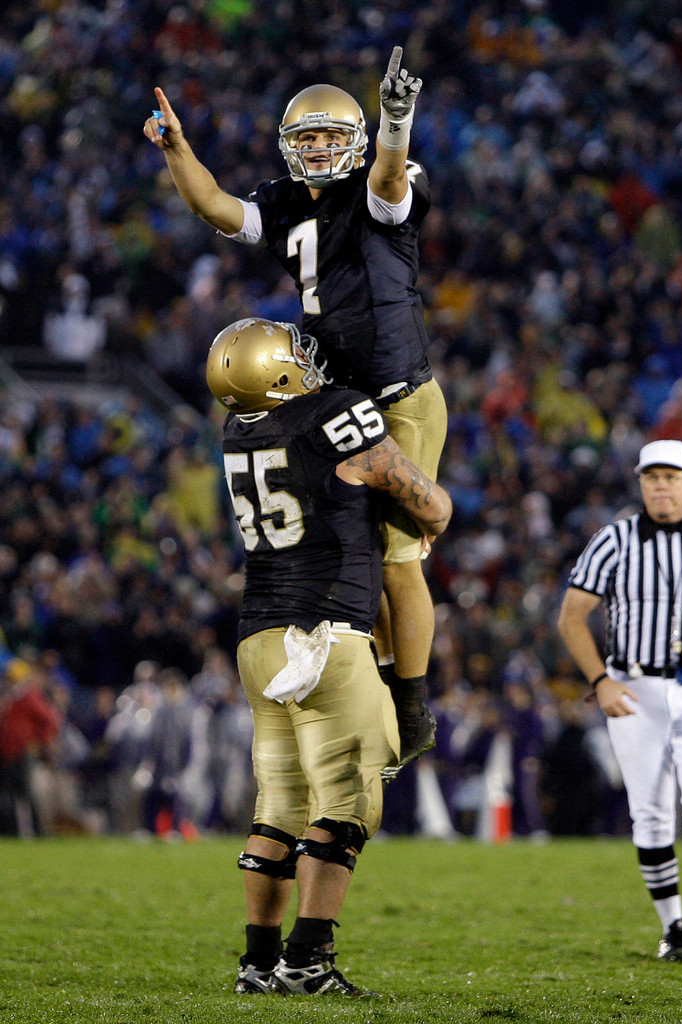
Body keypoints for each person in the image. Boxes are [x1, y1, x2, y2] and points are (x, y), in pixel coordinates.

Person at [144, 46, 448, 771]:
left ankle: (412, 700)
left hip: (400, 396)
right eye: (304, 138)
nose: (316, 148)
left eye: (327, 136)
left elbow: (387, 181)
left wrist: (395, 124)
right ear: (288, 145)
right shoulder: (284, 203)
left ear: (352, 140)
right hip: (333, 395)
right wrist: (178, 151)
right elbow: (214, 206)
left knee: (400, 560)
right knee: (351, 552)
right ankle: (371, 671)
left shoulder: (377, 192)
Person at [205, 317, 451, 995]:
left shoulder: (239, 430)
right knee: (348, 802)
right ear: (278, 372)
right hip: (328, 634)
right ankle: (309, 960)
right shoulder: (336, 413)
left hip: (258, 635)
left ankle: (257, 966)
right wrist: (422, 506)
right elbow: (430, 508)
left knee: (278, 805)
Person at [558, 439, 682, 961]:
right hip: (632, 687)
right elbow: (571, 617)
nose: (662, 485)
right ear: (641, 482)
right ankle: (675, 929)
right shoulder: (614, 540)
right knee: (651, 814)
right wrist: (600, 681)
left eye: (672, 476)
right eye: (653, 476)